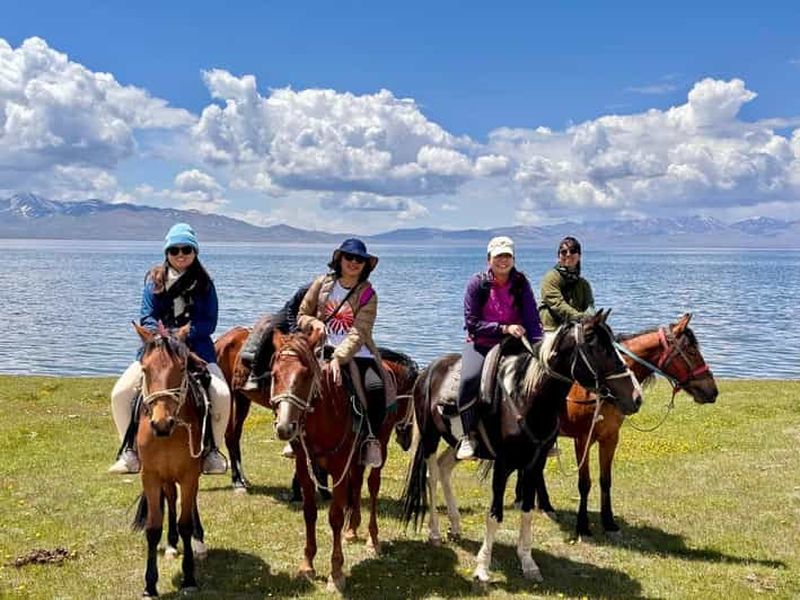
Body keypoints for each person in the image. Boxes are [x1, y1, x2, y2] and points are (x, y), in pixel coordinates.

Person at [108, 223, 231, 475]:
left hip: (196, 350)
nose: (180, 254)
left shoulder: (205, 284)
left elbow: (208, 321)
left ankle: (212, 452)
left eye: (186, 249)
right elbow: (147, 316)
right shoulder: (154, 281)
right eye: (174, 250)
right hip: (157, 351)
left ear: (195, 251)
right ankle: (129, 451)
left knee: (222, 395)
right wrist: (161, 336)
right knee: (120, 393)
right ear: (167, 253)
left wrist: (180, 335)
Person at [297, 238, 386, 468]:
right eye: (350, 257)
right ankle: (294, 433)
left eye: (360, 259)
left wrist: (338, 358)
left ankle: (371, 439)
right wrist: (313, 323)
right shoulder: (322, 283)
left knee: (376, 388)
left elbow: (359, 331)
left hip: (358, 353)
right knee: (293, 383)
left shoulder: (368, 295)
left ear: (366, 265)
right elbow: (302, 314)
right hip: (318, 349)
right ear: (340, 259)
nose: (354, 262)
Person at [456, 235, 543, 461]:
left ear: (513, 259)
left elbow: (532, 317)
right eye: (498, 256)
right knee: (468, 380)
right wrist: (504, 328)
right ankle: (468, 435)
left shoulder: (521, 283)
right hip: (482, 343)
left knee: (541, 380)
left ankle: (543, 434)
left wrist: (538, 344)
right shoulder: (477, 284)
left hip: (515, 344)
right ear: (489, 259)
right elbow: (472, 323)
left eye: (507, 256)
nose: (503, 261)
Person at [236, 283, 312, 392]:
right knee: (272, 330)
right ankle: (255, 375)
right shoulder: (308, 289)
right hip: (290, 314)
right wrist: (294, 329)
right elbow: (291, 309)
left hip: (309, 320)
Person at [538, 236, 595, 335]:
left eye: (572, 251)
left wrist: (590, 317)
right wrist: (580, 317)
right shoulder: (551, 277)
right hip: (551, 329)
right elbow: (558, 304)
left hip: (576, 328)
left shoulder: (583, 284)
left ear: (579, 256)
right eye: (564, 252)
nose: (568, 255)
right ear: (559, 256)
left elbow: (590, 306)